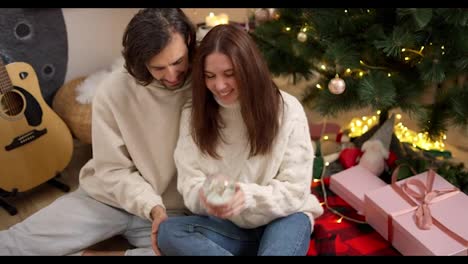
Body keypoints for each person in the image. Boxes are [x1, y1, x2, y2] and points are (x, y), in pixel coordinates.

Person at [0, 8, 196, 256]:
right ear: (140, 62)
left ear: (189, 41)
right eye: (158, 68)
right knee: (14, 244)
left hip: (172, 214)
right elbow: (112, 169)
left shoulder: (206, 84)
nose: (171, 75)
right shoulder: (114, 90)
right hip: (108, 198)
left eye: (178, 62)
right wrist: (151, 206)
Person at [157, 24, 324, 256]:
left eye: (229, 74)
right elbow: (190, 183)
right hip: (231, 228)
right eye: (210, 76)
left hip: (284, 218)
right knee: (168, 232)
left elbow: (295, 191)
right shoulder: (193, 114)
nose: (219, 86)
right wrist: (208, 199)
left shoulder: (287, 110)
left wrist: (247, 196)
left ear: (249, 69)